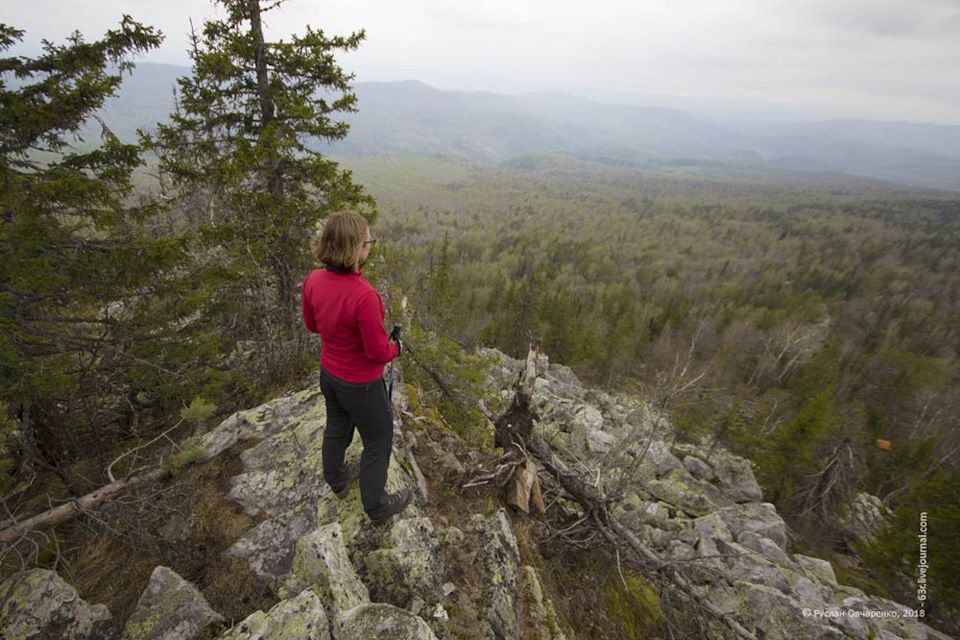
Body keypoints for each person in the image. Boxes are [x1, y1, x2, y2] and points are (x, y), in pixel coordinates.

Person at [302, 210, 412, 524]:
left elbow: (312, 325)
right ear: (355, 249)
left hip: (329, 375)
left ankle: (337, 480)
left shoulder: (313, 280)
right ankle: (377, 505)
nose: (369, 247)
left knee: (337, 426)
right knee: (379, 439)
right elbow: (378, 352)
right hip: (361, 385)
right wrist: (397, 348)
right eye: (367, 242)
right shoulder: (365, 296)